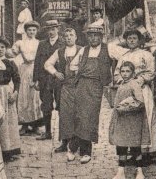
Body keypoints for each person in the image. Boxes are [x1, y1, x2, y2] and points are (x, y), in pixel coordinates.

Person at [67, 24, 113, 163]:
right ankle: (74, 148)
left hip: (96, 86)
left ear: (101, 37)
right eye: (91, 36)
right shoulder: (84, 50)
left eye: (96, 36)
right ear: (88, 37)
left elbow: (123, 55)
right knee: (79, 116)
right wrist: (79, 72)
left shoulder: (109, 49)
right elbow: (72, 65)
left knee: (90, 118)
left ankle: (83, 150)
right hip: (82, 85)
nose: (93, 38)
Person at [111, 28, 156, 163]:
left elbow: (151, 72)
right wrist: (125, 81)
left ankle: (146, 152)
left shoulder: (146, 55)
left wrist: (139, 80)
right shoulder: (123, 57)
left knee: (146, 117)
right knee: (129, 119)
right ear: (126, 41)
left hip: (142, 90)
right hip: (127, 91)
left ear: (139, 40)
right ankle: (132, 150)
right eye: (129, 38)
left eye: (134, 38)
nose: (131, 41)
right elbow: (117, 74)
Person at [106, 61, 148, 179]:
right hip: (122, 120)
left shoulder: (134, 84)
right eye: (122, 71)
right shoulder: (123, 84)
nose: (124, 74)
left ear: (133, 73)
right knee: (121, 145)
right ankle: (120, 173)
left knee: (135, 147)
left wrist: (125, 107)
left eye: (127, 71)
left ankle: (140, 173)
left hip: (132, 121)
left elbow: (140, 102)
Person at [44, 25, 83, 153]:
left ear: (76, 37)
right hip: (64, 87)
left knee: (78, 115)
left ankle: (78, 143)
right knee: (64, 114)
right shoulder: (60, 52)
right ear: (63, 38)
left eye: (71, 35)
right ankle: (64, 143)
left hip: (79, 86)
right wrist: (55, 73)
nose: (68, 38)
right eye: (66, 36)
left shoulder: (82, 50)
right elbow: (47, 64)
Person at [0, 36, 21, 161]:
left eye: (2, 47)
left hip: (7, 93)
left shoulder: (10, 63)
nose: (0, 50)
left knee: (7, 121)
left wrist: (15, 93)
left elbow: (17, 80)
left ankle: (8, 151)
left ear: (6, 49)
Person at [8, 22, 43, 134]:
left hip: (35, 70)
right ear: (26, 31)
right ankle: (24, 125)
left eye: (33, 30)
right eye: (29, 30)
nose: (31, 32)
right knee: (24, 96)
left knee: (35, 97)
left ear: (36, 31)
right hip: (24, 70)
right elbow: (11, 54)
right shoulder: (20, 43)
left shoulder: (39, 43)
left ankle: (36, 125)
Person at [33, 19, 64, 141]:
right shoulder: (42, 44)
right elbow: (37, 62)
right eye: (49, 30)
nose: (51, 32)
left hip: (58, 79)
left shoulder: (63, 43)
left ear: (58, 29)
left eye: (53, 29)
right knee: (46, 105)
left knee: (61, 105)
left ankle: (63, 134)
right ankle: (47, 132)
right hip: (45, 79)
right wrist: (35, 79)